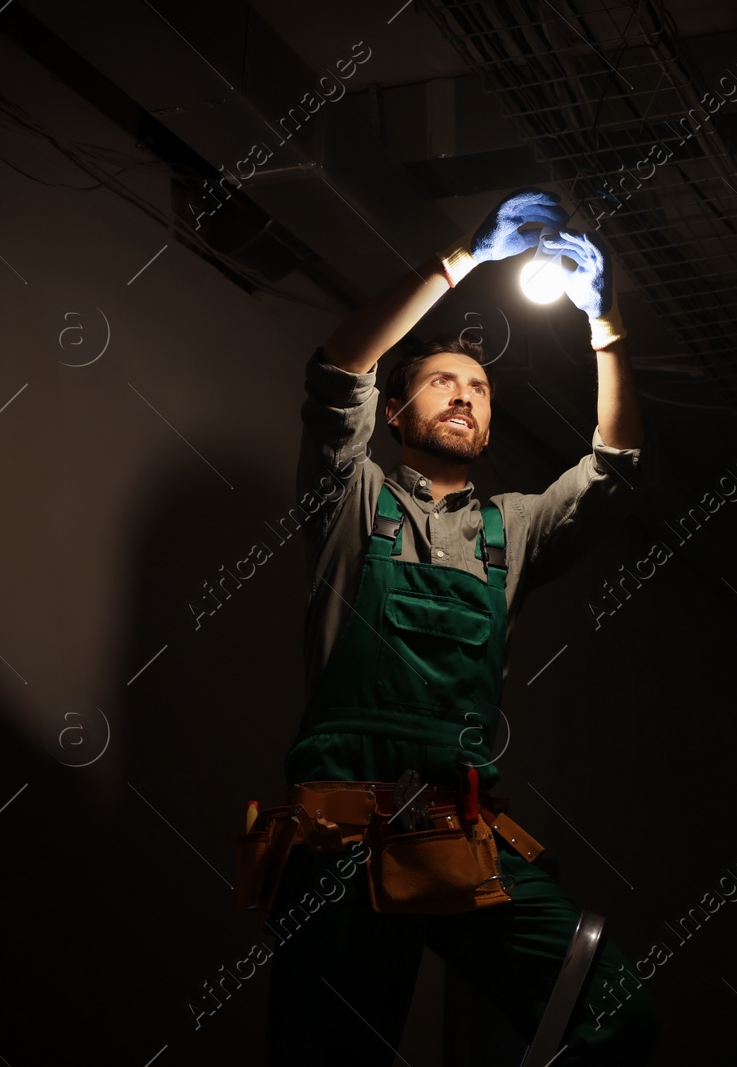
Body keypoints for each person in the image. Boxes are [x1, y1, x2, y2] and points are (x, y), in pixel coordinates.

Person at [263, 188, 659, 1065]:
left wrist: (608, 326)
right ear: (396, 415)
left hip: (462, 834)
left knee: (616, 1005)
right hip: (342, 838)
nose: (466, 395)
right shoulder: (352, 498)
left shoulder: (511, 528)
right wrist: (462, 257)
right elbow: (336, 372)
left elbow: (616, 467)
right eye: (442, 380)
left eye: (479, 388)